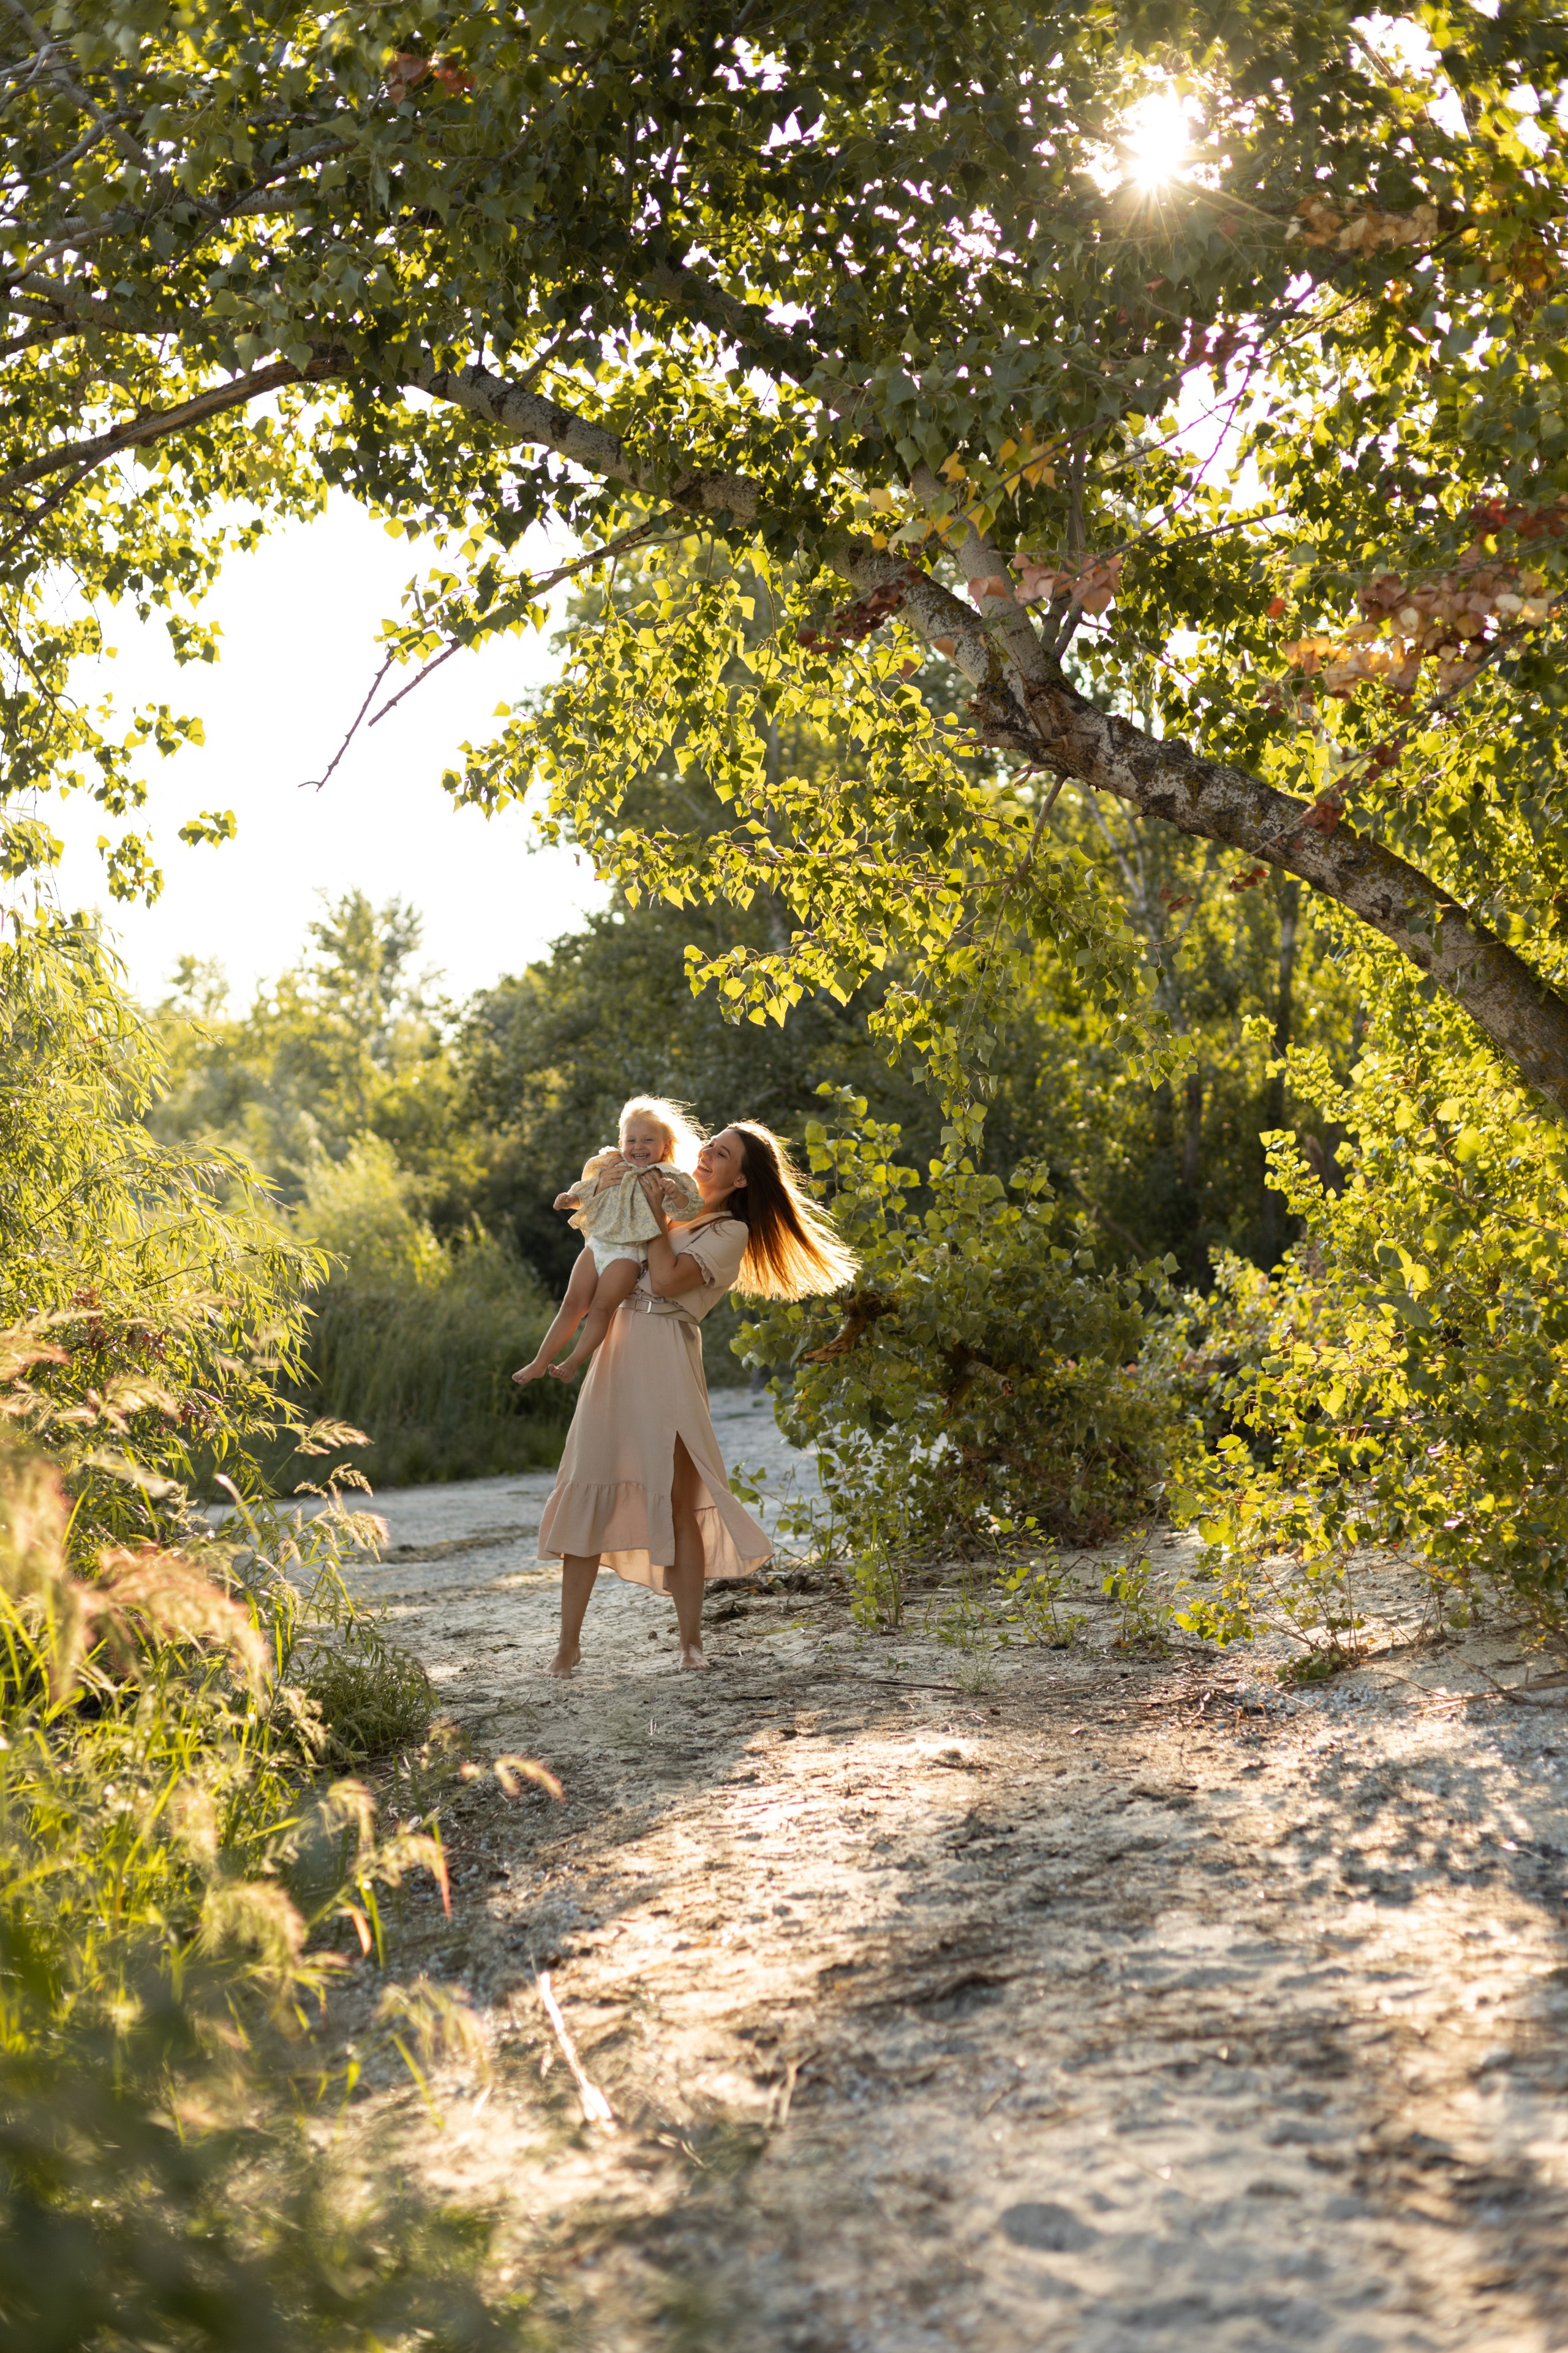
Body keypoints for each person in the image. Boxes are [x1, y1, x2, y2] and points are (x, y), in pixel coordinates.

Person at [537, 1120, 857, 1674]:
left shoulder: (729, 1231)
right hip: (615, 1352)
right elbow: (606, 1239)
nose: (707, 1153)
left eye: (723, 1152)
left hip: (666, 1353)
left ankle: (691, 1644)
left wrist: (652, 1216)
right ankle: (568, 1645)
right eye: (709, 1144)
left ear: (740, 1179)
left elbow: (663, 1280)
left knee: (680, 1501)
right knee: (588, 1482)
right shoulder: (670, 1191)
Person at [512, 1096, 703, 1385]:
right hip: (598, 1245)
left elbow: (689, 1209)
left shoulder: (668, 1176)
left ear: (665, 1145)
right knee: (572, 1303)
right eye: (631, 1140)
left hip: (629, 1255)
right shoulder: (612, 1164)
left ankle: (574, 1360)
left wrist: (675, 1194)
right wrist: (571, 1198)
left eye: (648, 1140)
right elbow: (588, 1190)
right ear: (621, 1141)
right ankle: (539, 1362)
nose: (638, 1147)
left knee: (601, 1308)